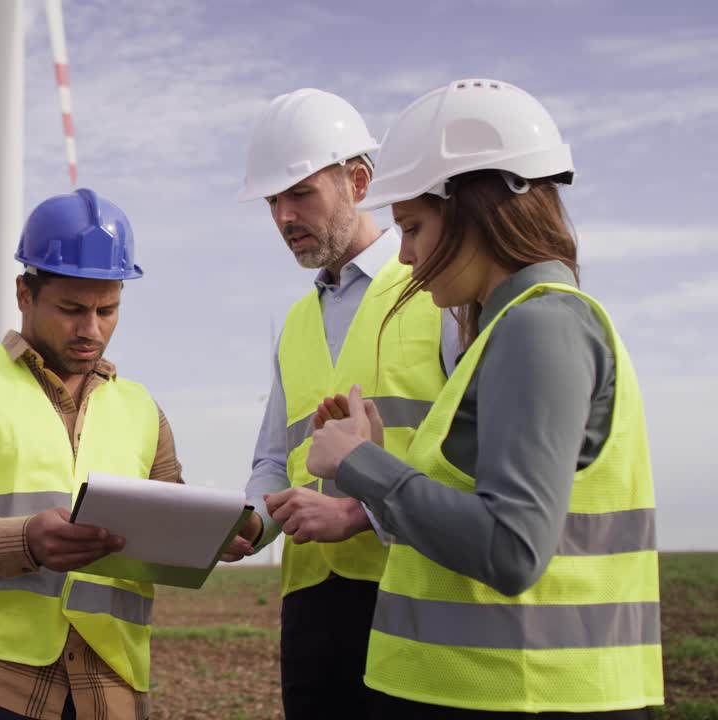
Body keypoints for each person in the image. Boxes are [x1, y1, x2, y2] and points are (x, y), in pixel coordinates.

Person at [305, 79, 663, 718]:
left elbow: (511, 550)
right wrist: (376, 460)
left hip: (525, 696)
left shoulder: (538, 326)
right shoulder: (511, 329)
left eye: (413, 227)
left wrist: (359, 465)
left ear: (475, 208)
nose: (406, 257)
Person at [0, 188, 186, 720]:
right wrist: (25, 540)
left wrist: (223, 536)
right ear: (24, 293)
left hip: (110, 690)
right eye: (71, 309)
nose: (91, 329)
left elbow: (172, 533)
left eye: (108, 310)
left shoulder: (142, 409)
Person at [226, 88, 460, 720]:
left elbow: (472, 450)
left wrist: (364, 513)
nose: (284, 216)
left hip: (414, 591)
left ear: (359, 181)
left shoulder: (437, 291)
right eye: (272, 202)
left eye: (300, 194)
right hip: (311, 615)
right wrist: (251, 521)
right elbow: (272, 461)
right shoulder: (296, 325)